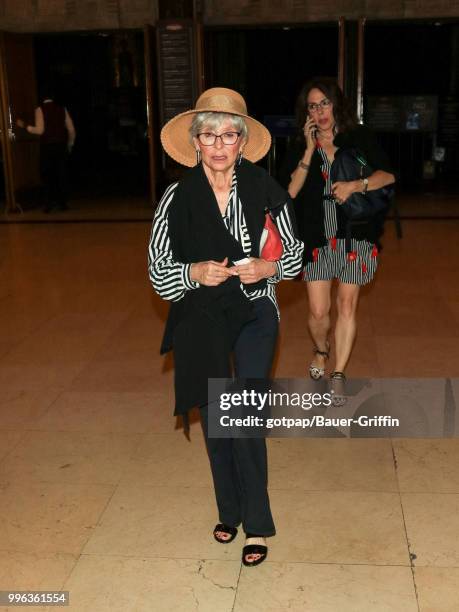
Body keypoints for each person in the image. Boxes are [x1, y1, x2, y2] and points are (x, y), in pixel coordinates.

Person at [148, 88, 303, 566]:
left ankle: (256, 524)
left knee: (246, 418)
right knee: (218, 421)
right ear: (195, 142)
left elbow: (295, 256)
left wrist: (267, 269)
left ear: (242, 141)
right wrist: (192, 273)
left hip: (256, 313)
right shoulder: (176, 197)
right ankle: (229, 512)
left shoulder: (264, 189)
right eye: (209, 134)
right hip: (203, 316)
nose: (218, 145)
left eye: (229, 134)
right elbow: (158, 272)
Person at [279, 77, 395, 398]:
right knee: (318, 313)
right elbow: (289, 192)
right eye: (313, 106)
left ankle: (339, 372)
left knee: (347, 305)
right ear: (307, 112)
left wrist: (355, 185)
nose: (320, 111)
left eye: (325, 103)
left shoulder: (358, 138)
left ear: (336, 104)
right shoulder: (298, 147)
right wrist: (307, 149)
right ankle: (321, 349)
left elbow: (387, 175)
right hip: (316, 241)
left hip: (356, 237)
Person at [17, 89, 76, 212]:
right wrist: (70, 144)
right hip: (60, 146)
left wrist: (25, 126)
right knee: (61, 174)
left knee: (47, 175)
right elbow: (71, 129)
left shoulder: (40, 110)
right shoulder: (62, 109)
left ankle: (49, 203)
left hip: (47, 146)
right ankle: (62, 203)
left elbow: (40, 130)